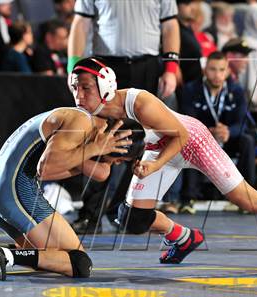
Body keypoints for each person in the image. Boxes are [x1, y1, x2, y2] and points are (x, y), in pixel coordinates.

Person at [68, 57, 257, 273]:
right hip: (160, 144)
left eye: (86, 88)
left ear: (105, 85)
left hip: (191, 139)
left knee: (246, 198)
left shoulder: (139, 101)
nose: (80, 96)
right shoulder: (91, 114)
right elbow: (105, 164)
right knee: (131, 218)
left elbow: (179, 135)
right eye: (75, 87)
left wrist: (152, 167)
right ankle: (183, 238)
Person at [0, 106, 146, 281]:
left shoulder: (79, 123)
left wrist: (94, 152)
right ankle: (4, 254)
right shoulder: (81, 122)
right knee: (79, 262)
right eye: (120, 160)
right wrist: (93, 150)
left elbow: (90, 172)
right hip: (16, 191)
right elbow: (45, 169)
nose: (117, 165)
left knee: (48, 260)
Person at [67, 0, 180, 233]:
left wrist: (171, 69)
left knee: (142, 141)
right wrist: (73, 67)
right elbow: (80, 24)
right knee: (97, 137)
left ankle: (123, 210)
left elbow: (170, 26)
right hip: (105, 65)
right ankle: (91, 215)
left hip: (146, 64)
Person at [181, 51, 256, 203]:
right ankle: (189, 197)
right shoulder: (190, 90)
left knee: (247, 140)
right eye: (212, 69)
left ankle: (248, 196)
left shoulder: (237, 91)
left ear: (228, 71)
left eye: (221, 70)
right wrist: (208, 132)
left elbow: (242, 123)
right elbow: (187, 119)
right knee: (187, 141)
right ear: (204, 70)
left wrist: (228, 131)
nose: (217, 74)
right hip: (201, 140)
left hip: (227, 139)